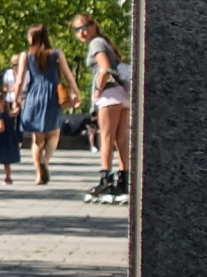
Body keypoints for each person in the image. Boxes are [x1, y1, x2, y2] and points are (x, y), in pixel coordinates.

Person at [13, 25, 76, 186]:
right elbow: (68, 76)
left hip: (34, 95)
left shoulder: (25, 56)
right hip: (52, 95)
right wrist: (76, 93)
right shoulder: (56, 54)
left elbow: (20, 80)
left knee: (37, 139)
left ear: (33, 38)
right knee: (53, 135)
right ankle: (45, 162)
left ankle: (38, 175)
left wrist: (16, 99)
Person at [74, 15, 128, 198]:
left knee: (106, 137)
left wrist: (98, 89)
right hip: (123, 96)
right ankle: (124, 180)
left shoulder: (95, 43)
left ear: (93, 26)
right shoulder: (104, 42)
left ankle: (105, 179)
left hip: (109, 96)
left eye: (84, 27)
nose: (81, 32)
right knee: (121, 140)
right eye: (76, 30)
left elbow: (105, 68)